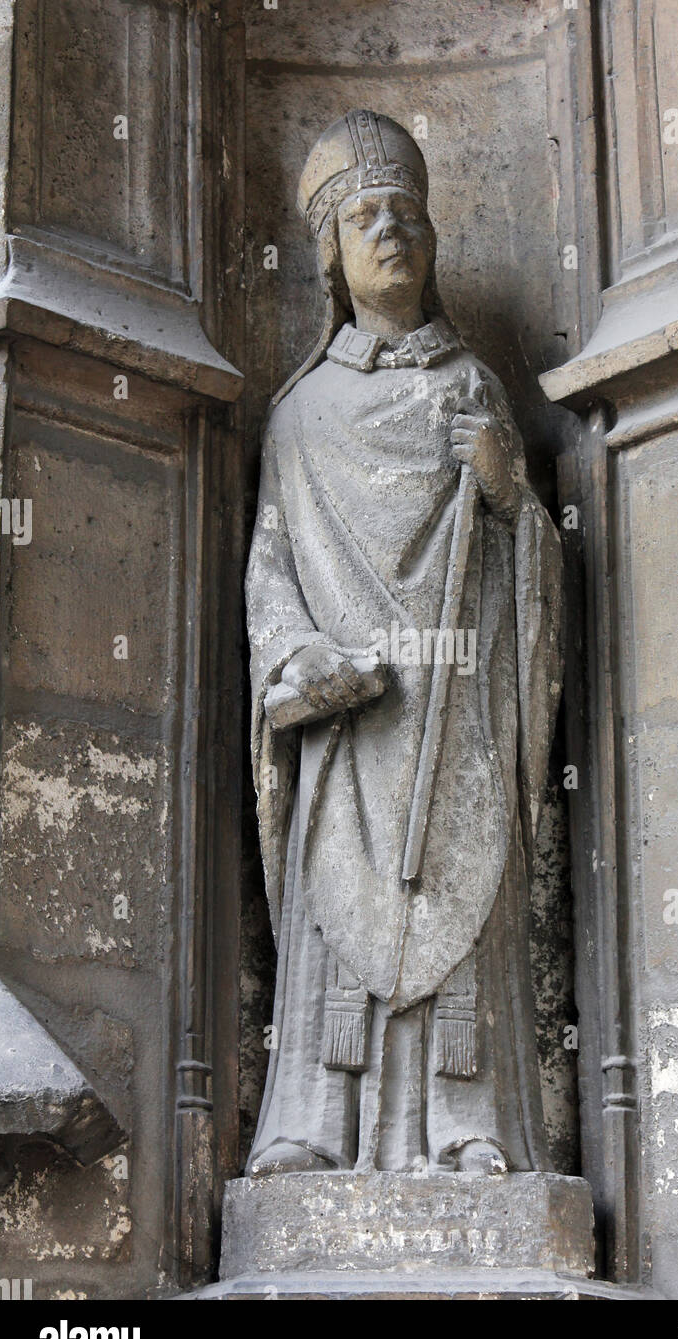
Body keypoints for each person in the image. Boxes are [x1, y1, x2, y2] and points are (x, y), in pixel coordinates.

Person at [245, 110, 562, 1176]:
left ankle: (467, 1126)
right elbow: (270, 577)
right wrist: (297, 661)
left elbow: (533, 564)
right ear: (330, 251)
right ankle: (314, 1126)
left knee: (463, 894)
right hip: (351, 731)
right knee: (340, 907)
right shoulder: (300, 417)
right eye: (367, 216)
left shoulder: (470, 391)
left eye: (410, 217)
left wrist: (507, 490)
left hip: (458, 712)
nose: (393, 233)